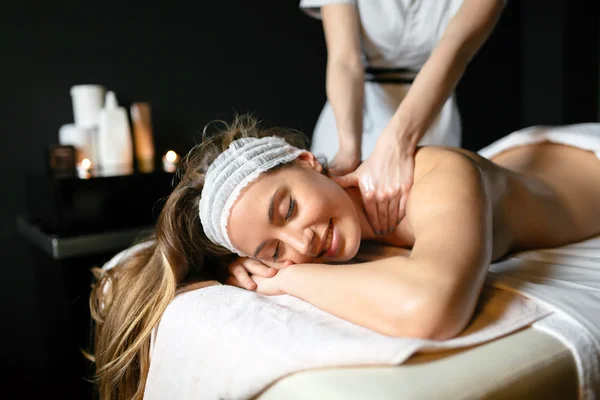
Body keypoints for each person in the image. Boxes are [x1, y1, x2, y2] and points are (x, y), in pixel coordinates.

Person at [88, 115, 600, 399]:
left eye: (287, 206)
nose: (302, 244)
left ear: (310, 162)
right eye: (274, 251)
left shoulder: (435, 176)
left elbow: (431, 308)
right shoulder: (338, 239)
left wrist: (282, 282)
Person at [300, 0, 506, 236]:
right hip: (351, 114)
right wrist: (348, 150)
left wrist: (398, 144)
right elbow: (344, 60)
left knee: (420, 230)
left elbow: (455, 51)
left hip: (426, 113)